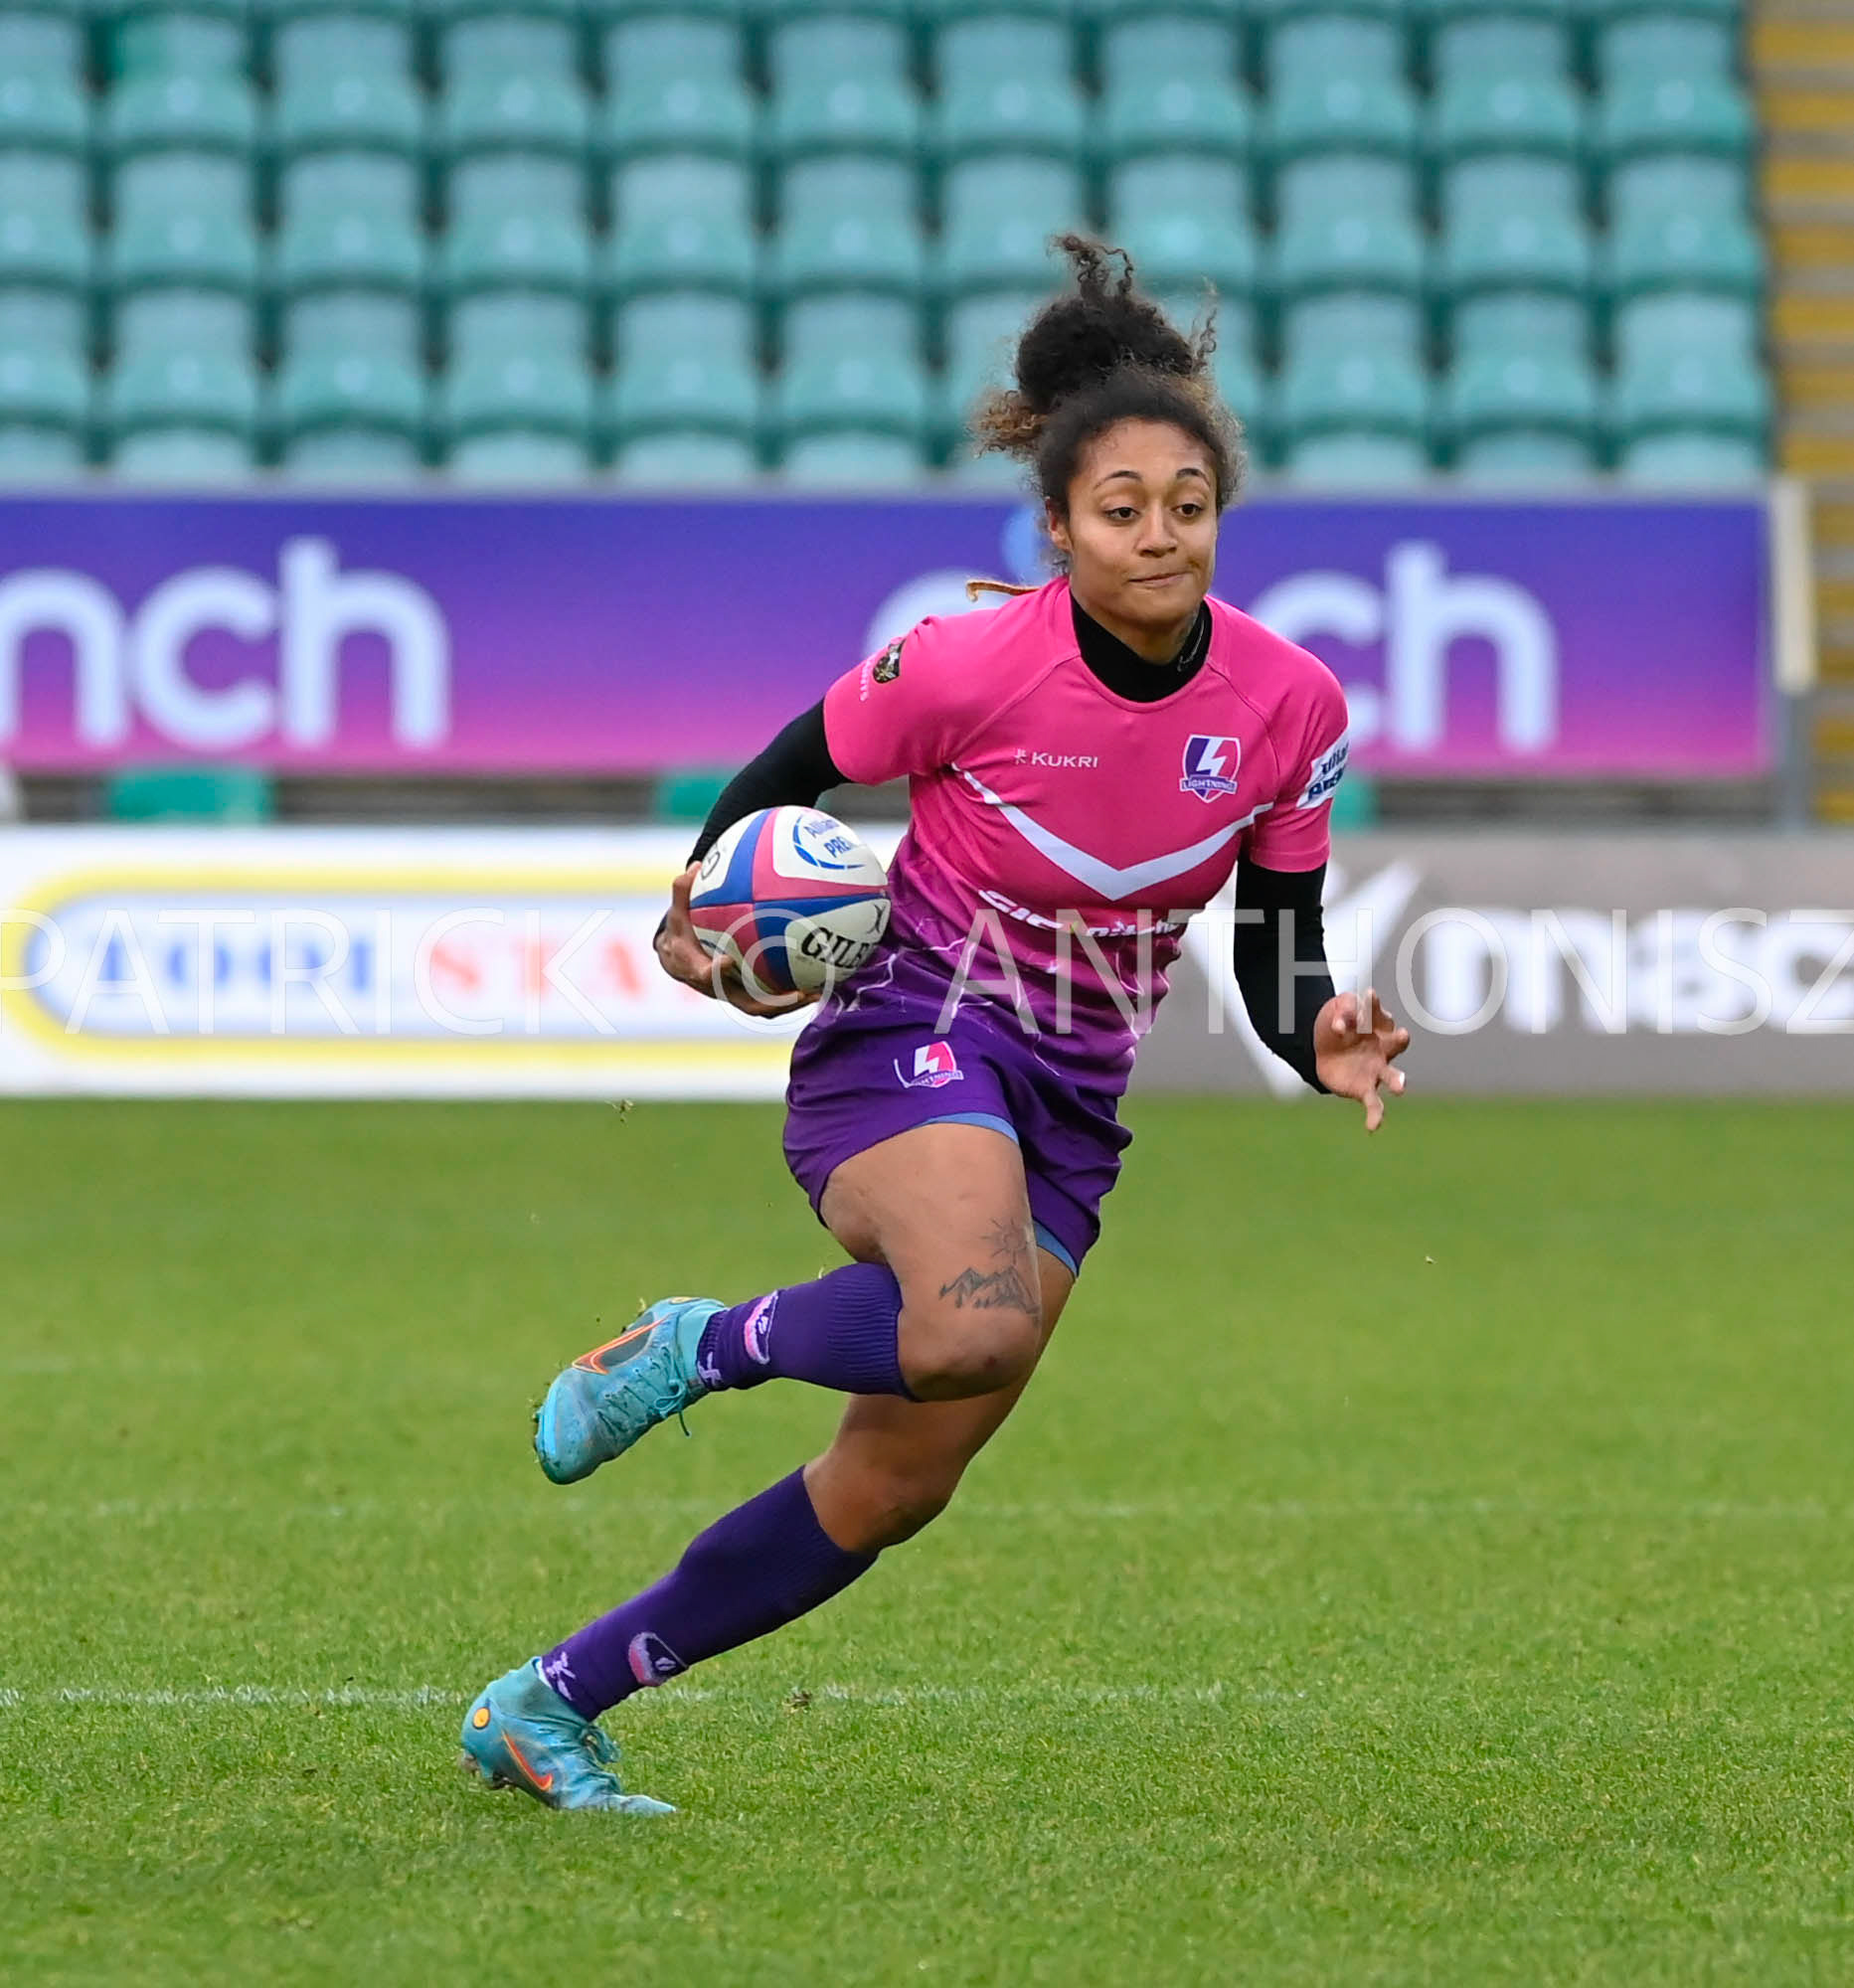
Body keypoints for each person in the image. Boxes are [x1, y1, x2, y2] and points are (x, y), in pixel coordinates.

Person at [459, 238, 1411, 1814]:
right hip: (916, 1023)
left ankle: (548, 1703)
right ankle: (706, 1342)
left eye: (1188, 506)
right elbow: (777, 780)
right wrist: (707, 918)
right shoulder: (965, 661)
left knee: (896, 1479)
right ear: (1056, 527)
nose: (1159, 536)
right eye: (1121, 510)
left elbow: (1276, 942)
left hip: (1074, 1087)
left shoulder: (1291, 703)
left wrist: (1321, 1036)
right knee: (972, 1324)